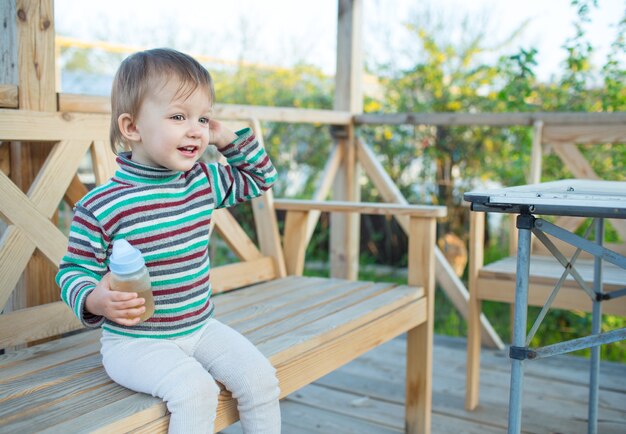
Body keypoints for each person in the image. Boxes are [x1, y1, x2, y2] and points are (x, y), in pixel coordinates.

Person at [56, 48, 281, 434]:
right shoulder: (102, 204)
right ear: (131, 127)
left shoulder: (202, 181)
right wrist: (96, 299)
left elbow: (261, 177)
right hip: (134, 345)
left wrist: (225, 137)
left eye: (203, 118)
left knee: (260, 379)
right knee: (195, 391)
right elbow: (74, 271)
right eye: (179, 116)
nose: (195, 129)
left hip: (200, 326)